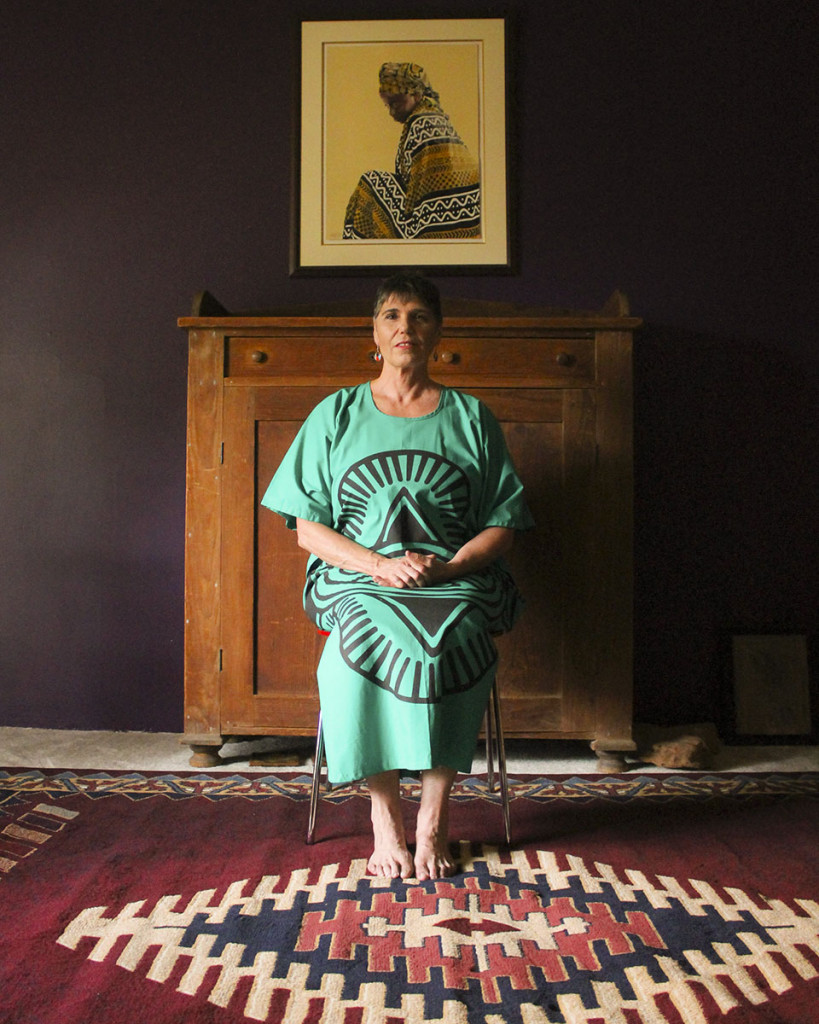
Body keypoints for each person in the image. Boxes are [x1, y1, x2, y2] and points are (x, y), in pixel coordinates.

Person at [261, 272, 533, 881]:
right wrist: (379, 565)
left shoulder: (472, 417)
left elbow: (503, 525)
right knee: (362, 630)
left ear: (438, 332)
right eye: (391, 315)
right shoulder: (335, 414)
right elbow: (308, 529)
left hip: (452, 575)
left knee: (457, 632)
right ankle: (384, 815)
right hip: (357, 576)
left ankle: (433, 818)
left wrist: (452, 566)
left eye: (418, 316)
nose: (405, 327)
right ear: (375, 333)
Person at [343, 62, 481, 240]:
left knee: (368, 184)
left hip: (435, 224)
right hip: (467, 220)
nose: (391, 112)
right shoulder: (433, 117)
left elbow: (418, 192)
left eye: (395, 103)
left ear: (415, 95)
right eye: (387, 106)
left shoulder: (421, 123)